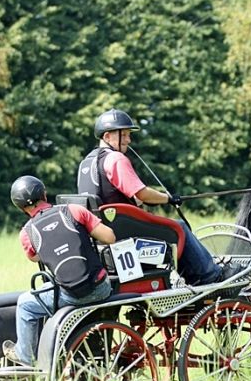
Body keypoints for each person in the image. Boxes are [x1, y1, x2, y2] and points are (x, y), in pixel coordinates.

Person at [77, 108, 239, 285]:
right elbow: (142, 193)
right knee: (179, 227)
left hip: (103, 236)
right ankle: (211, 275)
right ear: (107, 136)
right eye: (124, 135)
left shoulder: (86, 163)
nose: (129, 140)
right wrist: (168, 198)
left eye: (129, 135)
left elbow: (110, 195)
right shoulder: (115, 159)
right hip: (124, 235)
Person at [2, 175, 116, 366]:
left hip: (70, 296)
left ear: (20, 207)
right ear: (44, 194)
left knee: (25, 304)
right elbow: (110, 237)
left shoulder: (27, 234)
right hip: (100, 287)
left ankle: (25, 355)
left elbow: (35, 257)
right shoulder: (74, 211)